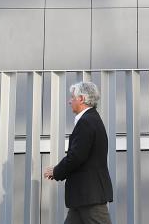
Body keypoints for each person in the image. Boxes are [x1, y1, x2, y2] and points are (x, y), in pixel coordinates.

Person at [43, 81, 113, 224]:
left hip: (89, 196)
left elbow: (76, 156)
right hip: (82, 197)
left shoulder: (86, 122)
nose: (70, 101)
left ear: (81, 99)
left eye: (72, 98)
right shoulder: (91, 119)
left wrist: (56, 171)